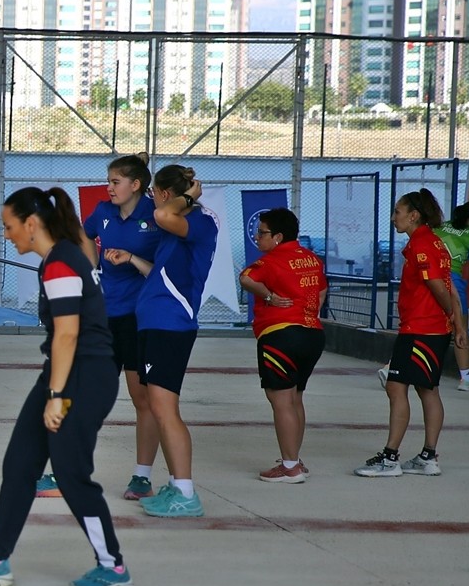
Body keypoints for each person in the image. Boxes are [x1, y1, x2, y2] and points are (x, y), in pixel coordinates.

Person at [0, 186, 133, 586]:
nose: (7, 235)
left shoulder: (61, 263)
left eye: (9, 227)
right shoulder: (57, 258)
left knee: (71, 474)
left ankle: (112, 566)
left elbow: (67, 335)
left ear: (32, 224)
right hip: (64, 373)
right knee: (20, 464)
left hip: (82, 376)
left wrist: (56, 396)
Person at [355, 189, 467, 477]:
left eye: (397, 212)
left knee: (397, 387)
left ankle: (390, 458)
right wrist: (457, 324)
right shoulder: (434, 243)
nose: (394, 218)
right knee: (426, 389)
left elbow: (440, 288)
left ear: (413, 215)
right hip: (427, 328)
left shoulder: (422, 245)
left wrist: (453, 318)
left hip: (421, 329)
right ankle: (428, 457)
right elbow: (451, 286)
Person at [73, 152, 161, 501]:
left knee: (143, 397)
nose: (108, 188)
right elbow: (83, 235)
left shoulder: (156, 217)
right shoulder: (104, 213)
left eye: (115, 182)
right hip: (104, 315)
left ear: (135, 185)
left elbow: (164, 271)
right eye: (108, 181)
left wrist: (131, 259)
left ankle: (142, 476)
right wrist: (92, 266)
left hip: (140, 319)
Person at [134, 165, 217, 517]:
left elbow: (162, 213)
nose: (152, 196)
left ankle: (185, 492)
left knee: (165, 409)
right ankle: (175, 486)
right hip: (156, 322)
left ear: (168, 194)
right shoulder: (178, 224)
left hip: (171, 325)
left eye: (155, 190)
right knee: (157, 406)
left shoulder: (197, 220)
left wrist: (190, 196)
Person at [238, 208, 328, 483]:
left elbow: (245, 278)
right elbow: (322, 291)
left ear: (277, 236)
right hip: (312, 333)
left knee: (281, 401)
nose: (257, 237)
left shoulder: (272, 260)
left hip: (281, 334)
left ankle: (290, 467)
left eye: (262, 233)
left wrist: (268, 297)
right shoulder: (311, 258)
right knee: (295, 397)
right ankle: (295, 459)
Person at [433, 200, 469, 391]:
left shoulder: (440, 228)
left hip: (430, 280)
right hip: (452, 284)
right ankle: (466, 379)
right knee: (460, 329)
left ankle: (391, 368)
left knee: (419, 327)